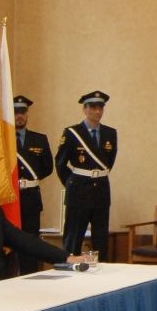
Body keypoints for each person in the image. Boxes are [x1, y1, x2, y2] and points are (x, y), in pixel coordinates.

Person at [0, 95, 53, 274]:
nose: (19, 116)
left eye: (23, 112)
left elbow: (47, 168)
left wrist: (26, 182)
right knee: (5, 241)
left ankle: (30, 277)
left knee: (30, 241)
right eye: (15, 112)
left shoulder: (39, 139)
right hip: (6, 196)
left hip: (30, 197)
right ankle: (5, 277)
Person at [55, 90, 118, 257]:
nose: (97, 111)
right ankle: (70, 267)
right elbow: (60, 162)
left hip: (101, 190)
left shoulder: (110, 133)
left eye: (100, 108)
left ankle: (101, 269)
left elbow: (109, 162)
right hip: (78, 191)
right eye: (93, 107)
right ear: (85, 109)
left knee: (100, 238)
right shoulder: (72, 133)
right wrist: (72, 183)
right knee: (74, 236)